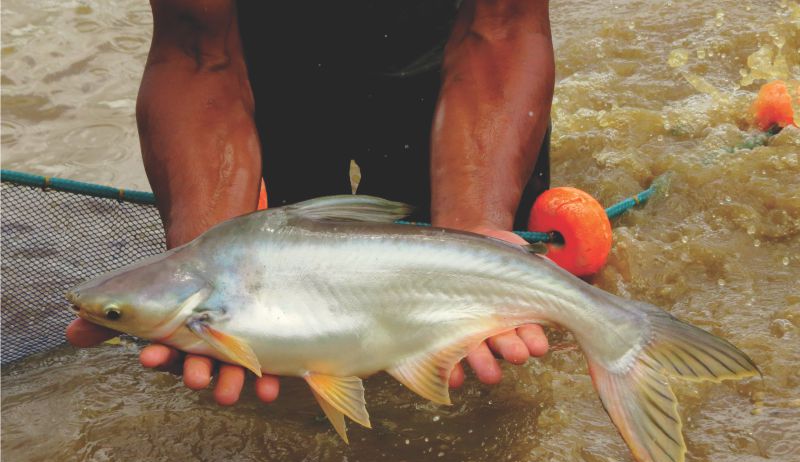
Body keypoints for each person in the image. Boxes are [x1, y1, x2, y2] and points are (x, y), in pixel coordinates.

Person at [67, 0, 555, 407]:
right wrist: (216, 249)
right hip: (272, 57)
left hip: (445, 43)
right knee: (284, 382)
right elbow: (197, 50)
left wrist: (474, 237)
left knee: (491, 359)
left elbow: (502, 24)